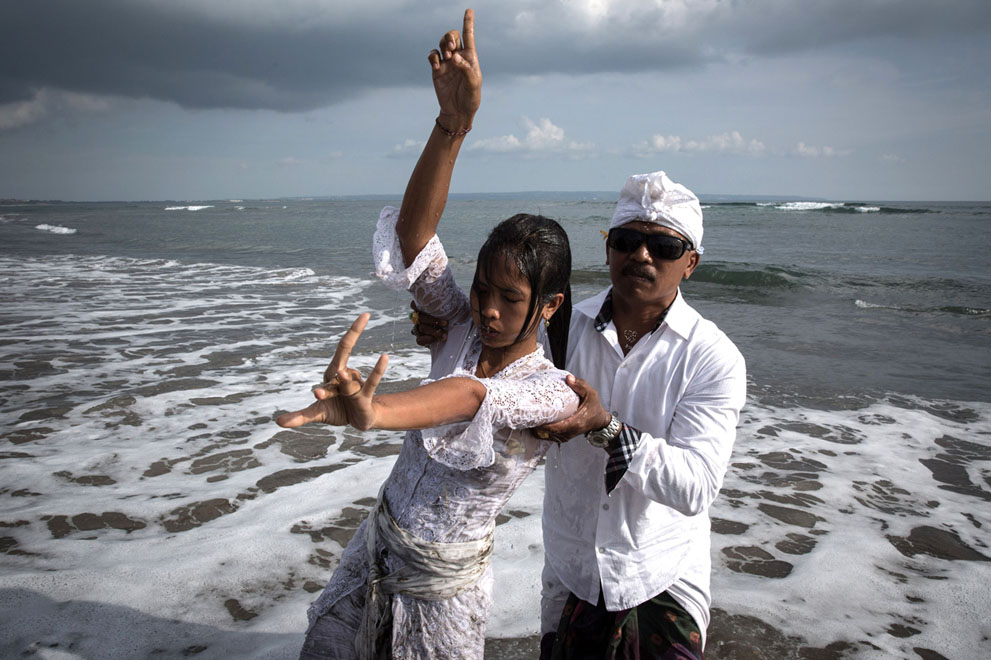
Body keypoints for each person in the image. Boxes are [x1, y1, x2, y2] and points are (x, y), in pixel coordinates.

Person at [275, 9, 579, 660]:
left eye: (510, 299)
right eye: (482, 290)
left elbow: (470, 399)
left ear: (548, 307)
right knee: (324, 647)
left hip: (443, 592)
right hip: (377, 545)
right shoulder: (459, 326)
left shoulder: (551, 393)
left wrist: (372, 411)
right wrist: (451, 127)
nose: (489, 310)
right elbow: (415, 239)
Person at [412, 174, 746, 658]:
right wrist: (440, 326)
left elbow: (695, 487)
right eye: (628, 240)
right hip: (572, 570)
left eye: (664, 246)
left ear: (690, 263)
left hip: (659, 576)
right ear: (609, 248)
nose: (642, 255)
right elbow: (493, 361)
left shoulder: (712, 357)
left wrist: (605, 427)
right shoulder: (561, 327)